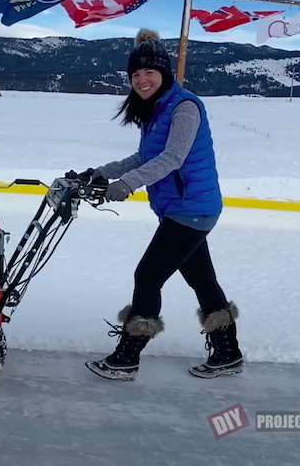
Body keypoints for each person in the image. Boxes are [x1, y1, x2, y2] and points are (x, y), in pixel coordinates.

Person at [78, 27, 243, 381]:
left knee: (148, 276)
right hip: (185, 209)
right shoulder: (156, 110)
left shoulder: (184, 107)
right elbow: (144, 155)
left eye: (149, 72)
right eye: (135, 74)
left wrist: (127, 185)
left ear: (164, 74)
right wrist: (102, 172)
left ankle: (127, 358)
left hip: (191, 208)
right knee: (202, 279)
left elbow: (173, 158)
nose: (141, 80)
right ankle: (229, 354)